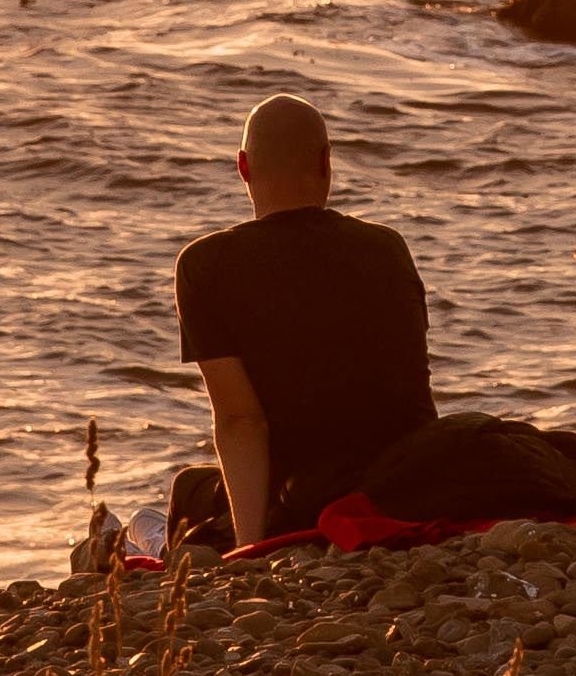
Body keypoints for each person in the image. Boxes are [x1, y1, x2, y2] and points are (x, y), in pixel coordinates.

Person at [170, 93, 434, 554]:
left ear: (243, 168)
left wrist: (249, 549)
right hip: (402, 484)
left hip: (299, 496)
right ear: (326, 163)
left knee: (184, 493)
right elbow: (408, 392)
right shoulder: (386, 248)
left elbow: (240, 420)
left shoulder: (204, 265)